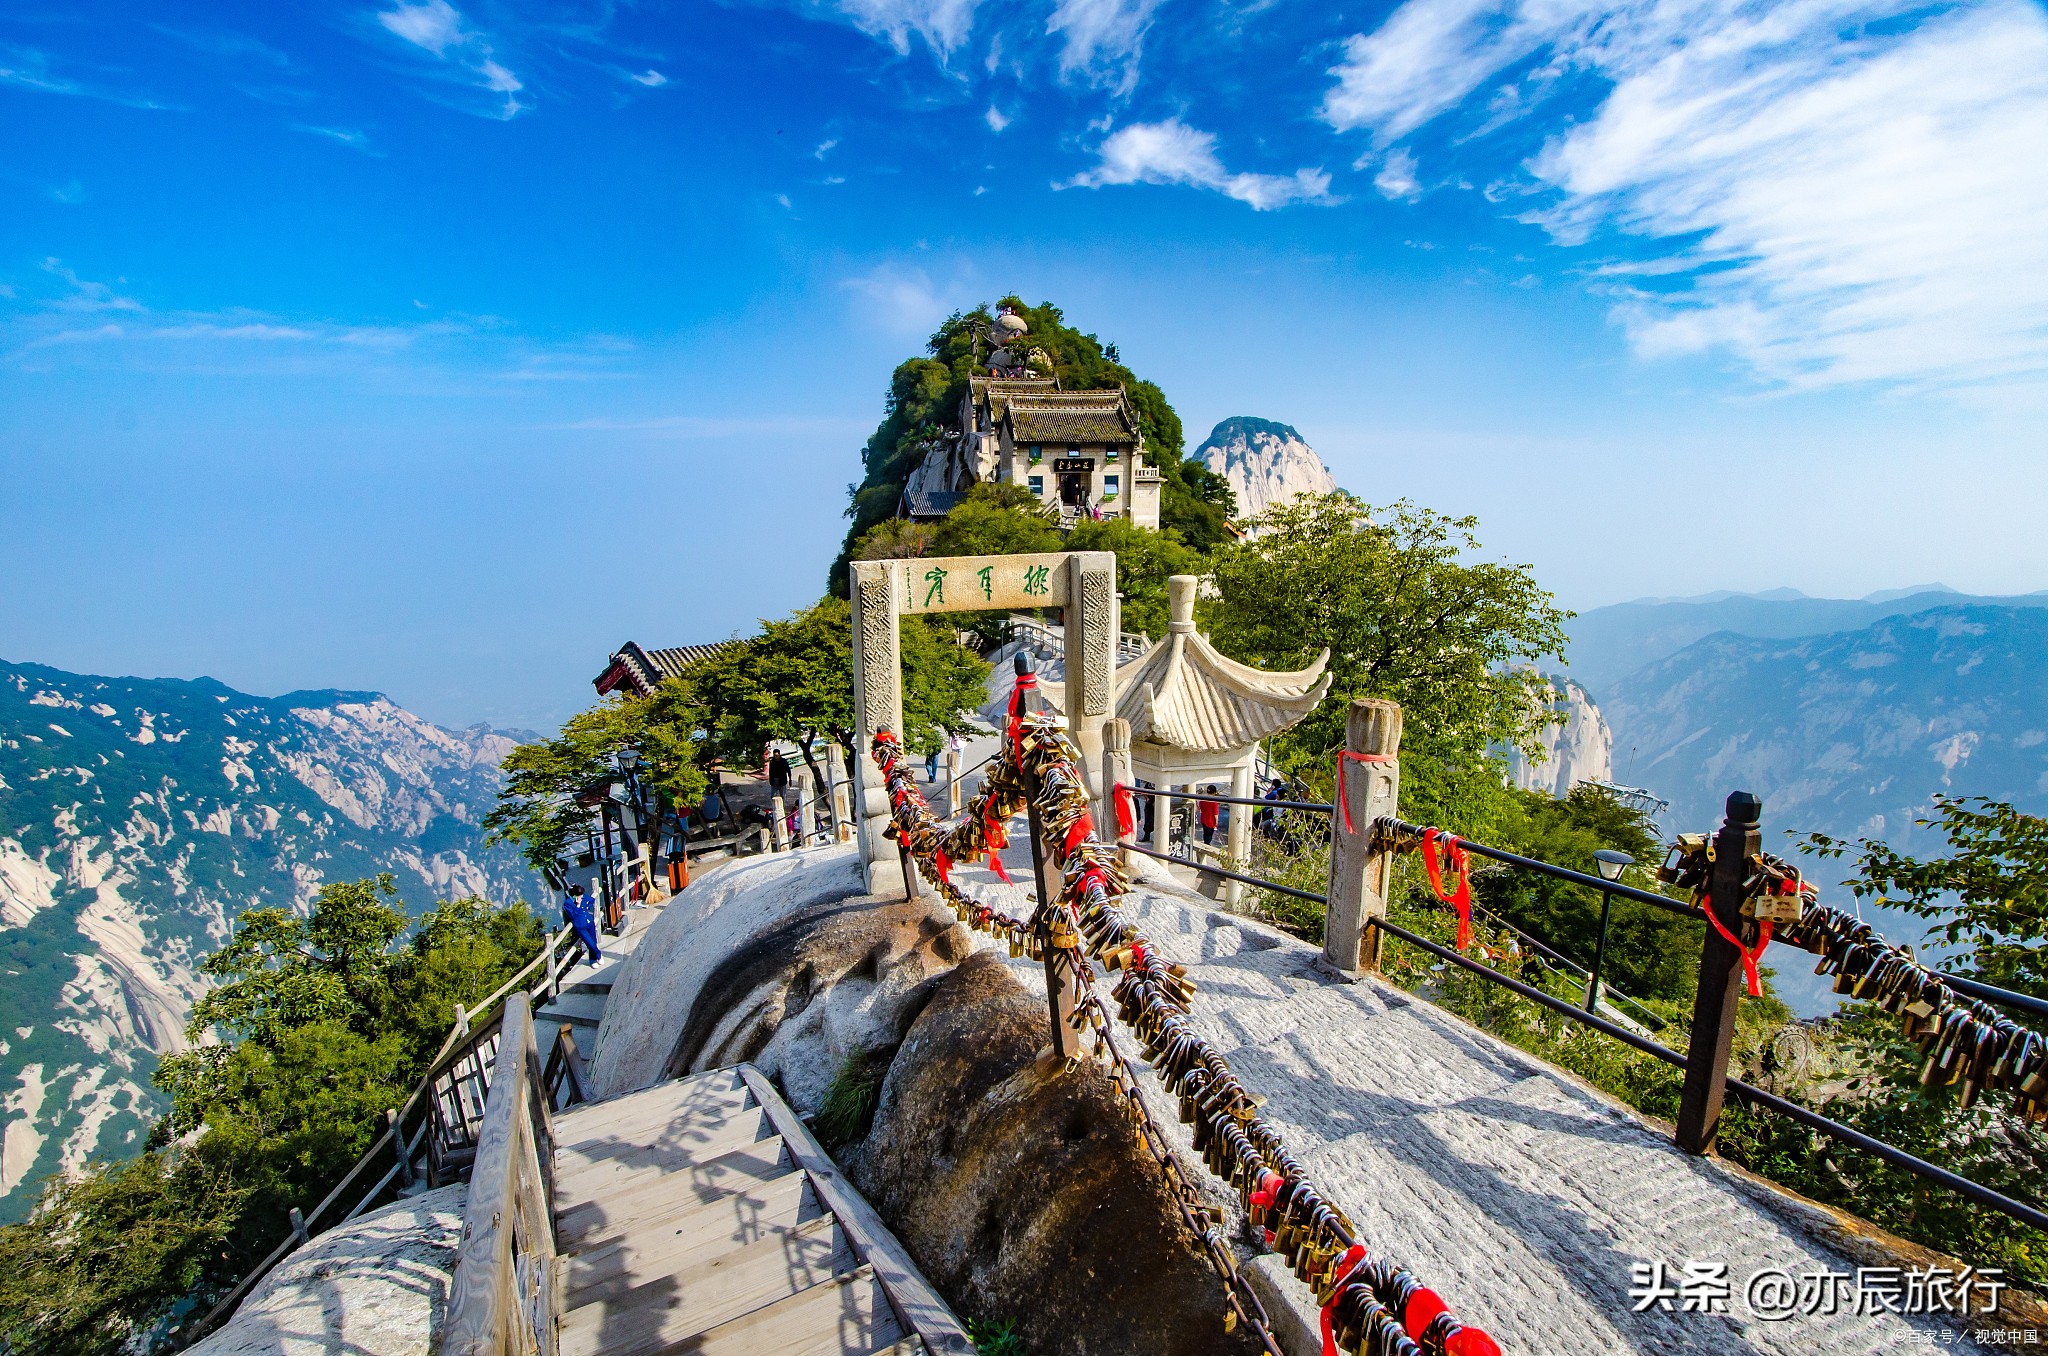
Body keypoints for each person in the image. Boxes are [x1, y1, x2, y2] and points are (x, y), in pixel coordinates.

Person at [561, 883, 602, 967]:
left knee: (594, 941)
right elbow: (572, 915)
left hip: (589, 923)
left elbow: (591, 900)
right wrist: (578, 906)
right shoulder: (568, 903)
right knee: (590, 943)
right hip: (580, 926)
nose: (582, 897)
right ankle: (598, 954)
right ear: (574, 896)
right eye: (580, 896)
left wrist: (586, 906)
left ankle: (592, 960)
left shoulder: (583, 897)